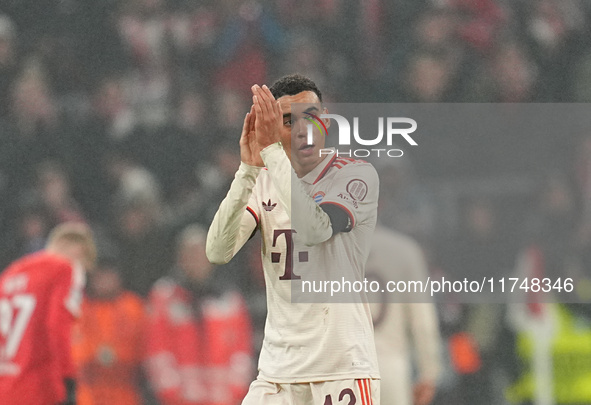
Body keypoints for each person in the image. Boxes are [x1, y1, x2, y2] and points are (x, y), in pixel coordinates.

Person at [207, 74, 380, 404]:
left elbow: (316, 229)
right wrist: (247, 170)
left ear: (325, 120)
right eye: (288, 120)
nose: (303, 129)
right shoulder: (264, 180)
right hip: (278, 372)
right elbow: (217, 251)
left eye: (311, 117)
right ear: (271, 127)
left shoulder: (354, 174)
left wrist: (272, 151)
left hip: (340, 367)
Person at [146, 224, 253, 405]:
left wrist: (236, 390)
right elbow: (157, 351)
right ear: (180, 258)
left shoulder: (229, 299)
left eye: (201, 254)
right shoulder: (164, 297)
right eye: (190, 254)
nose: (196, 260)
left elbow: (241, 352)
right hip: (180, 399)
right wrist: (171, 392)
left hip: (223, 398)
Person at [0, 221, 96, 405]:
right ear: (79, 252)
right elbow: (57, 328)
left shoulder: (10, 274)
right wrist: (68, 379)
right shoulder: (65, 268)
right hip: (39, 389)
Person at [366, 224, 442, 405]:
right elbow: (422, 319)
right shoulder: (404, 250)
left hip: (345, 370)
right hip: (392, 366)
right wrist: (429, 372)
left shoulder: (329, 249)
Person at [72, 258, 146, 405]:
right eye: (99, 275)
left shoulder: (133, 306)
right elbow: (76, 355)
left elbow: (143, 350)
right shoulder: (80, 308)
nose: (104, 280)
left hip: (126, 390)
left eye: (108, 274)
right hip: (89, 392)